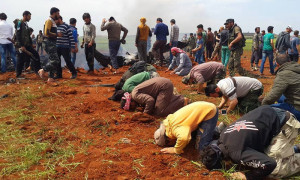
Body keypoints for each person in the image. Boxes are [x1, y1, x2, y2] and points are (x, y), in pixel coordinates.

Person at [201, 105, 300, 180]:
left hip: (285, 124)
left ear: (223, 161)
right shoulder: (222, 137)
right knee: (261, 156)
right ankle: (294, 149)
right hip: (270, 114)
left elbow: (269, 164)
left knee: (275, 171)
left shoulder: (236, 153)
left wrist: (246, 176)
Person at [154, 101, 218, 154]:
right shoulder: (168, 122)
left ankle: (221, 139)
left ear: (168, 139)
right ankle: (214, 130)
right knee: (194, 137)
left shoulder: (176, 129)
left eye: (167, 143)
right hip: (201, 108)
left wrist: (175, 150)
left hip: (209, 111)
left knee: (201, 148)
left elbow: (184, 138)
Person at [262, 53, 300, 120]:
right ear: (289, 61)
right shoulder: (296, 68)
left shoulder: (283, 74)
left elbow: (273, 96)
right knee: (281, 96)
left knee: (268, 109)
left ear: (277, 64)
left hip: (297, 109)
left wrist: (263, 106)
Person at [38, 7, 62, 84]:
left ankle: (50, 78)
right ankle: (43, 70)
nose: (59, 15)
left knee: (52, 59)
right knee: (56, 60)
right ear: (54, 13)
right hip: (49, 43)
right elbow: (46, 33)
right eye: (58, 13)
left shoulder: (52, 21)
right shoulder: (49, 21)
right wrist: (57, 34)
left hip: (52, 43)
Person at [15, 11, 41, 78]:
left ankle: (38, 71)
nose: (30, 18)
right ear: (25, 16)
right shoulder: (19, 23)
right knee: (21, 59)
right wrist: (21, 45)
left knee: (36, 55)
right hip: (22, 45)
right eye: (29, 16)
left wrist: (31, 44)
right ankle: (18, 74)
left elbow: (27, 36)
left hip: (27, 45)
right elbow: (18, 35)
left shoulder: (25, 24)